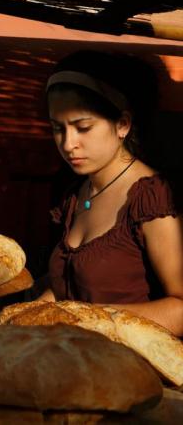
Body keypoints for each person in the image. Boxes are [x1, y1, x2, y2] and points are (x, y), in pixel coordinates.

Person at [38, 50, 183, 336]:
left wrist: (87, 318)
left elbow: (180, 309)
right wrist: (24, 316)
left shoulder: (151, 198)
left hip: (130, 371)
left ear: (122, 125)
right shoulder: (75, 193)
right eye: (58, 129)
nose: (69, 144)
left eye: (83, 128)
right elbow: (63, 291)